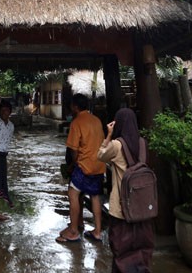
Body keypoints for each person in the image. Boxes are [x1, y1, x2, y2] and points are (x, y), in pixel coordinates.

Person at [98, 108, 155, 272]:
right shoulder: (143, 143)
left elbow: (100, 156)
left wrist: (108, 135)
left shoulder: (117, 145)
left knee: (122, 248)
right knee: (141, 247)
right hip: (142, 206)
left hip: (121, 207)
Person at [56, 93, 106, 243]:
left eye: (71, 105)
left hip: (83, 165)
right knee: (95, 196)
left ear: (75, 107)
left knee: (73, 194)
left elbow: (74, 150)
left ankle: (73, 230)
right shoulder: (96, 120)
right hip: (99, 165)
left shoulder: (77, 123)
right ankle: (97, 231)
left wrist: (72, 165)